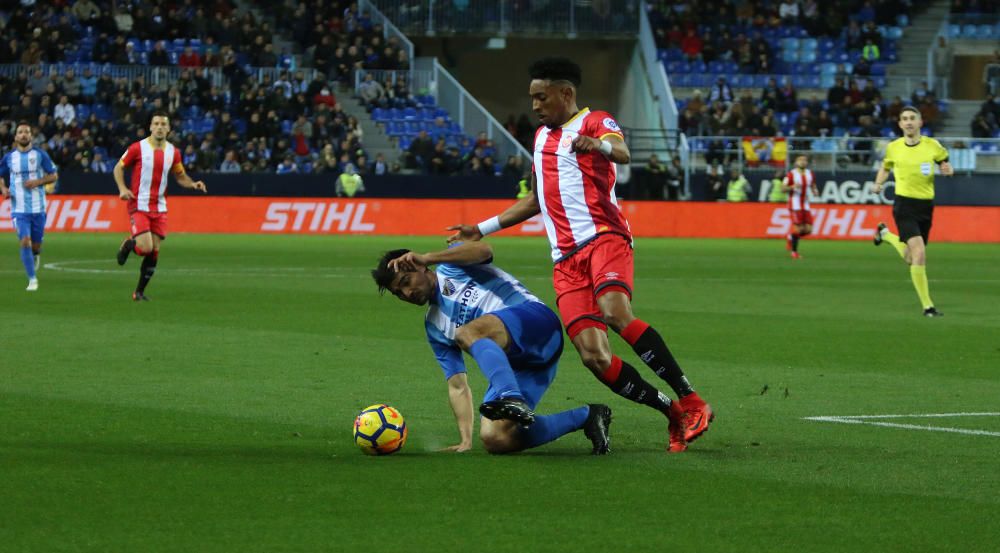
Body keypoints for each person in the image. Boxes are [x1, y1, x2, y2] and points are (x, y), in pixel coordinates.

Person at [446, 58, 710, 453]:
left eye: (541, 96)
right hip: (565, 261)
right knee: (594, 356)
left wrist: (599, 145)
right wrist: (481, 228)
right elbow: (537, 200)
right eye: (532, 97)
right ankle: (673, 413)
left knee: (615, 311)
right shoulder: (539, 139)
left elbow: (621, 152)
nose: (535, 105)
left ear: (565, 93)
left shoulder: (594, 121)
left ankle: (692, 399)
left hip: (604, 237)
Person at [371, 241, 613, 455]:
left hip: (537, 323)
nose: (406, 293)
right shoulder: (434, 326)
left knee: (466, 332)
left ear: (420, 266)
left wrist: (430, 257)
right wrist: (465, 439)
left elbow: (484, 250)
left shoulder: (451, 265)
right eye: (398, 293)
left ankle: (511, 397)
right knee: (496, 438)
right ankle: (588, 416)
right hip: (528, 366)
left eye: (406, 282)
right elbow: (457, 385)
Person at [113, 112, 207, 301]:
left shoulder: (174, 152)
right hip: (138, 205)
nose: (160, 127)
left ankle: (139, 292)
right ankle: (129, 244)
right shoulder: (137, 148)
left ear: (169, 129)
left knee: (154, 251)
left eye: (164, 124)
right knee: (146, 247)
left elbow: (180, 176)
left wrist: (192, 184)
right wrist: (123, 188)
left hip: (160, 207)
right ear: (150, 127)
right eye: (156, 123)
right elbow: (118, 167)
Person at [873, 106, 953, 317]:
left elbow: (945, 162)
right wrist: (878, 183)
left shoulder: (932, 146)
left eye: (912, 118)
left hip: (926, 206)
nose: (908, 122)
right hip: (904, 205)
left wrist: (948, 169)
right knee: (919, 253)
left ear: (920, 123)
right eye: (905, 119)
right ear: (900, 124)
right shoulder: (894, 147)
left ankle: (885, 235)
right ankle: (928, 307)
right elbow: (886, 167)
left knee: (910, 258)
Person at [0, 122, 59, 291]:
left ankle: (35, 253)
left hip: (38, 208)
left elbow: (53, 175)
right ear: (16, 137)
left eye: (27, 131)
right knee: (24, 241)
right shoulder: (10, 157)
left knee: (35, 245)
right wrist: (4, 188)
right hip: (18, 209)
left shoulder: (40, 155)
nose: (24, 134)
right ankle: (32, 279)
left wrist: (37, 182)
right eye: (20, 132)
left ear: (31, 136)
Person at [782, 154, 819, 259]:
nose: (803, 162)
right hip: (795, 205)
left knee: (808, 230)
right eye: (800, 160)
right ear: (796, 162)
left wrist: (814, 190)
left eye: (805, 160)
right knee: (798, 229)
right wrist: (793, 186)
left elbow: (812, 184)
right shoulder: (790, 175)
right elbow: (783, 188)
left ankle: (790, 237)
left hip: (805, 205)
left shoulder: (810, 174)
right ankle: (794, 252)